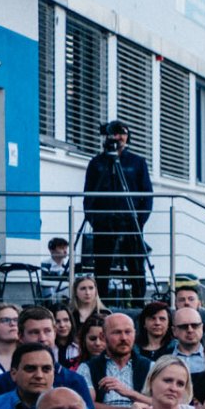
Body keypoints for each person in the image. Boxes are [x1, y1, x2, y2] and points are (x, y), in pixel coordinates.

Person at [80, 119, 152, 301]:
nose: (118, 137)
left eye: (122, 133)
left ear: (128, 137)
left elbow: (147, 194)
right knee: (102, 265)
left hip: (131, 221)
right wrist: (93, 218)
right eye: (114, 133)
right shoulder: (97, 163)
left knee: (135, 264)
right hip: (104, 221)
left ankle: (138, 301)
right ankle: (101, 303)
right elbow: (89, 193)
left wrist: (140, 219)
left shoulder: (137, 162)